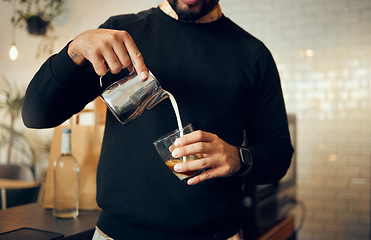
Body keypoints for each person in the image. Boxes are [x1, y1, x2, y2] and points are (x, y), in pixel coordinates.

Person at [22, 0, 294, 239]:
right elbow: (36, 115)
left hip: (217, 234)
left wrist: (239, 158)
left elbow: (279, 155)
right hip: (117, 235)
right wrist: (76, 49)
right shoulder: (120, 34)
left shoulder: (253, 54)